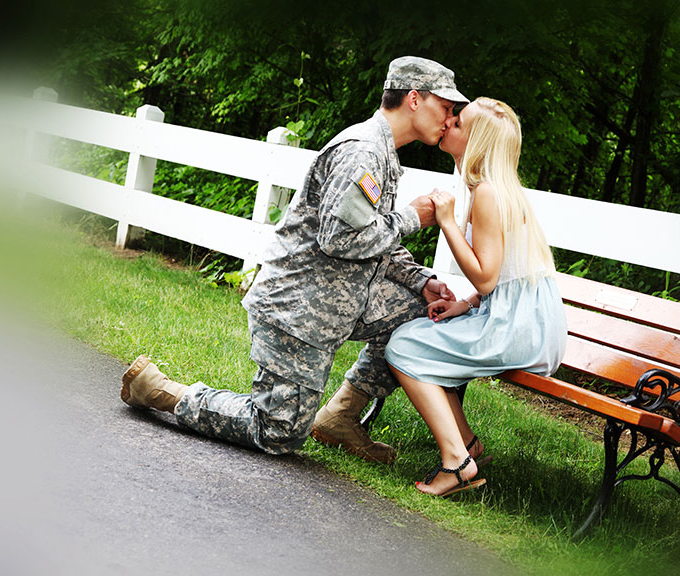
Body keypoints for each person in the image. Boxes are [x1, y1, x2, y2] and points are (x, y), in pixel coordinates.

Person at [120, 57, 469, 464]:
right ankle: (160, 390)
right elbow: (341, 239)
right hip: (298, 310)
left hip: (343, 300)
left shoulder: (383, 153)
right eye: (446, 106)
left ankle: (341, 416)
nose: (451, 117)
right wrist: (413, 216)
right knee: (279, 434)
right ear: (414, 99)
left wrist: (420, 280)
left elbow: (375, 235)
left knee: (422, 310)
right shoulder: (361, 152)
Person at [385, 97, 567, 496]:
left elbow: (486, 279)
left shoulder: (487, 194)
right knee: (422, 338)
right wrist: (463, 305)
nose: (448, 122)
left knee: (404, 346)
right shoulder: (496, 189)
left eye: (459, 123)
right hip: (524, 319)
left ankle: (457, 462)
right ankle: (467, 445)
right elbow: (503, 276)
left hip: (515, 328)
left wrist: (447, 222)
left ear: (477, 143)